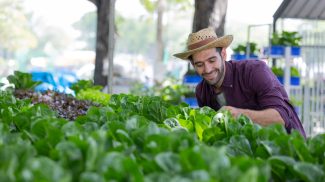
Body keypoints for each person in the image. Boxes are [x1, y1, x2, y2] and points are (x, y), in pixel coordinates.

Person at [173, 27, 306, 138]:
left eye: (212, 60)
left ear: (223, 54)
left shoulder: (254, 71)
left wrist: (238, 114)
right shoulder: (202, 91)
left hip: (289, 149)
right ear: (193, 64)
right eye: (200, 64)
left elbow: (280, 119)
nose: (207, 69)